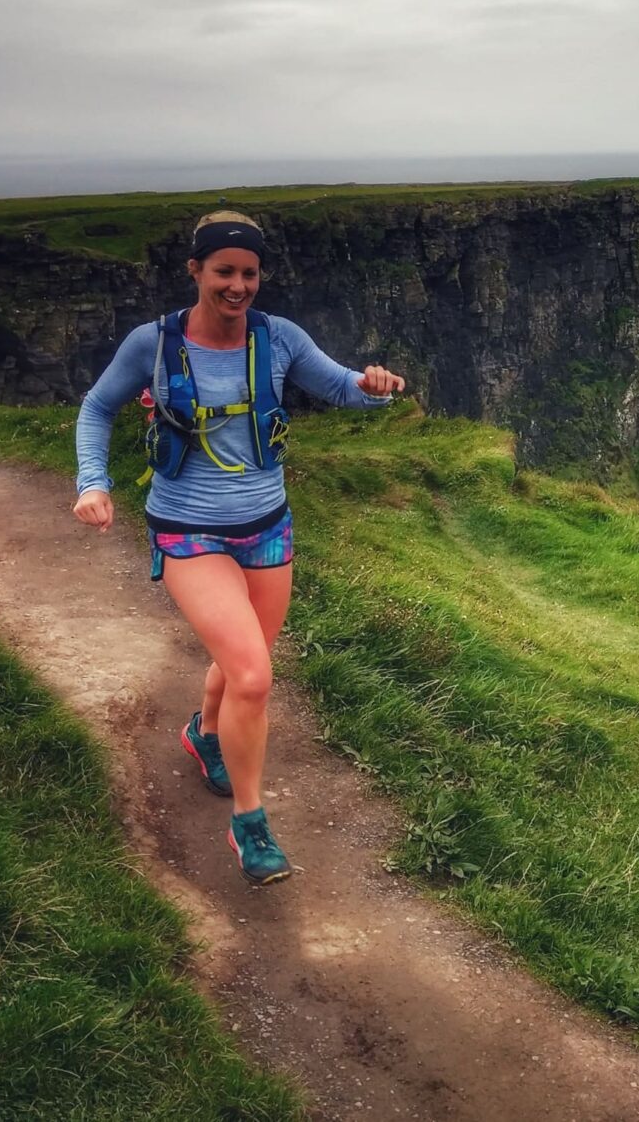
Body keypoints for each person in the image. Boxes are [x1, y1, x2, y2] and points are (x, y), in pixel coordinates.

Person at [71, 211, 404, 884]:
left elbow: (339, 386)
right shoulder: (153, 343)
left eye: (249, 273)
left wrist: (375, 389)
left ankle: (205, 733)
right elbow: (97, 408)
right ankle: (250, 825)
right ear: (195, 270)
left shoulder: (278, 338)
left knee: (241, 660)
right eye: (224, 271)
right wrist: (92, 482)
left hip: (268, 527)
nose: (238, 286)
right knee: (252, 674)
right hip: (188, 530)